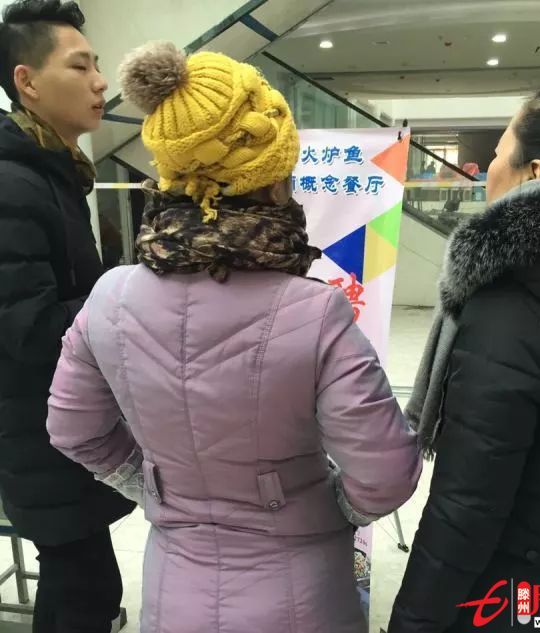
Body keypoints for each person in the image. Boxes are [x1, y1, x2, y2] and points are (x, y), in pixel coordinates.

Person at [46, 42, 422, 633]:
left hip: (175, 590)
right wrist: (332, 509)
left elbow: (72, 428)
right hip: (303, 593)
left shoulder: (110, 297)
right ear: (273, 181)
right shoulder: (315, 311)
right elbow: (387, 471)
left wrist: (150, 488)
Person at [388, 81, 540, 633]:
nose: (488, 172)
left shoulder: (508, 306)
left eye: (499, 155)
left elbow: (467, 505)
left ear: (536, 172)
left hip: (500, 602)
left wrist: (413, 620)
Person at [0, 1, 136, 631]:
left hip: (62, 425)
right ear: (26, 81)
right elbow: (26, 329)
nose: (100, 81)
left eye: (96, 65)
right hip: (36, 429)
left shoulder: (53, 171)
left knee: (84, 585)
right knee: (84, 590)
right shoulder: (13, 183)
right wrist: (129, 293)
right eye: (80, 66)